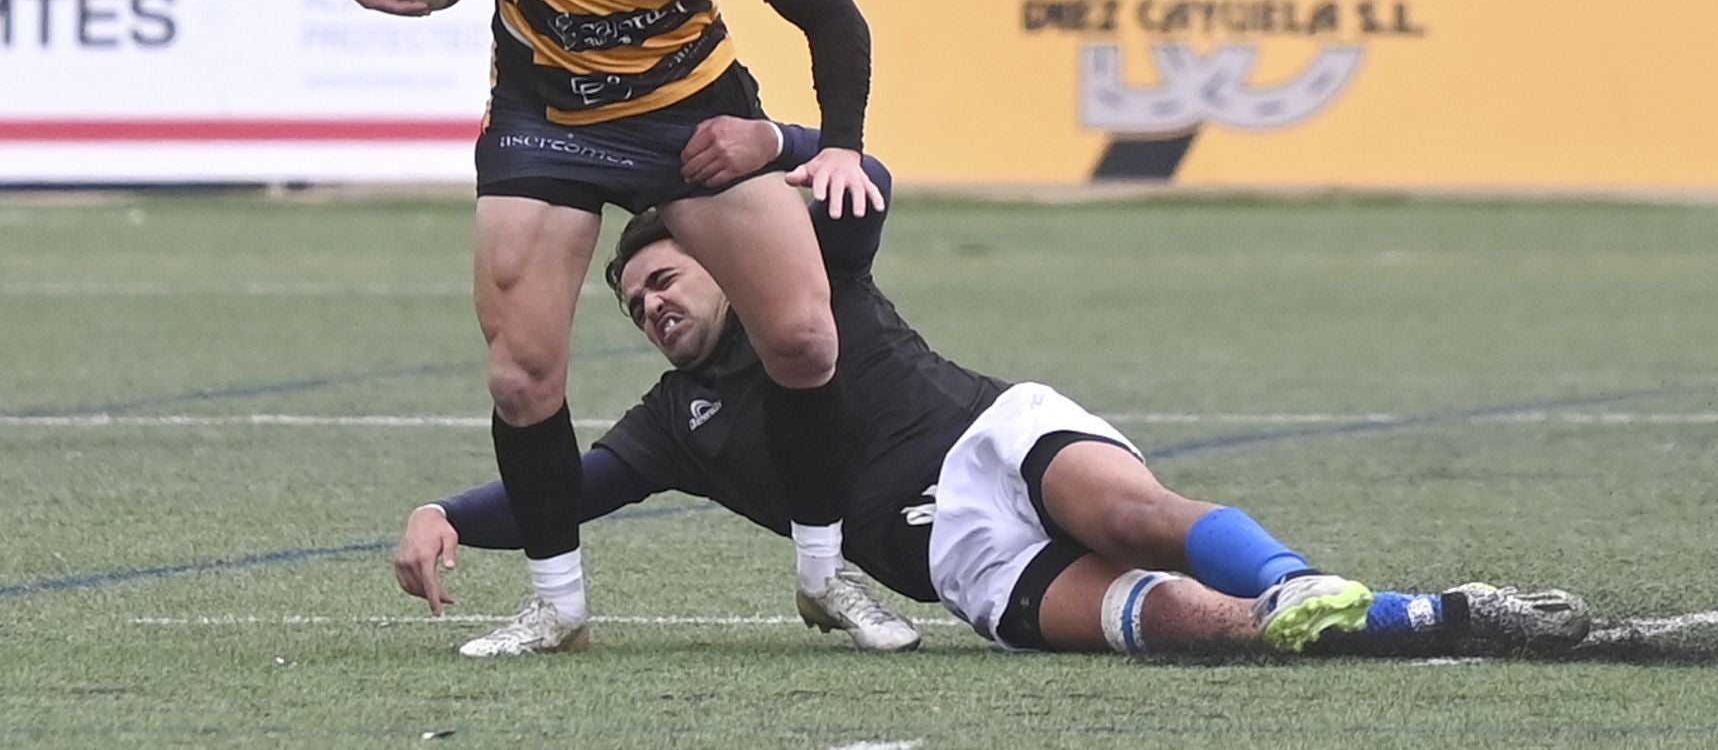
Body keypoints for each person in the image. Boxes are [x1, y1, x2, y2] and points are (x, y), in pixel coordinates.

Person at [394, 117, 1593, 659]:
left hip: (990, 438)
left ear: (717, 255)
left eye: (661, 277)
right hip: (959, 560)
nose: (652, 306)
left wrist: (771, 144)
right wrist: (451, 510)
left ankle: (1304, 582)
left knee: (1131, 516)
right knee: (1172, 625)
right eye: (634, 305)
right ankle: (1383, 623)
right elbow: (574, 486)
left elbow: (872, 176)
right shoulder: (676, 424)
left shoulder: (810, 285)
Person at [322, 0, 905, 657]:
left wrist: (838, 140)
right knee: (522, 372)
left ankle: (821, 573)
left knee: (804, 338)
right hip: (543, 111)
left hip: (687, 111)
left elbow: (831, 14)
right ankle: (558, 603)